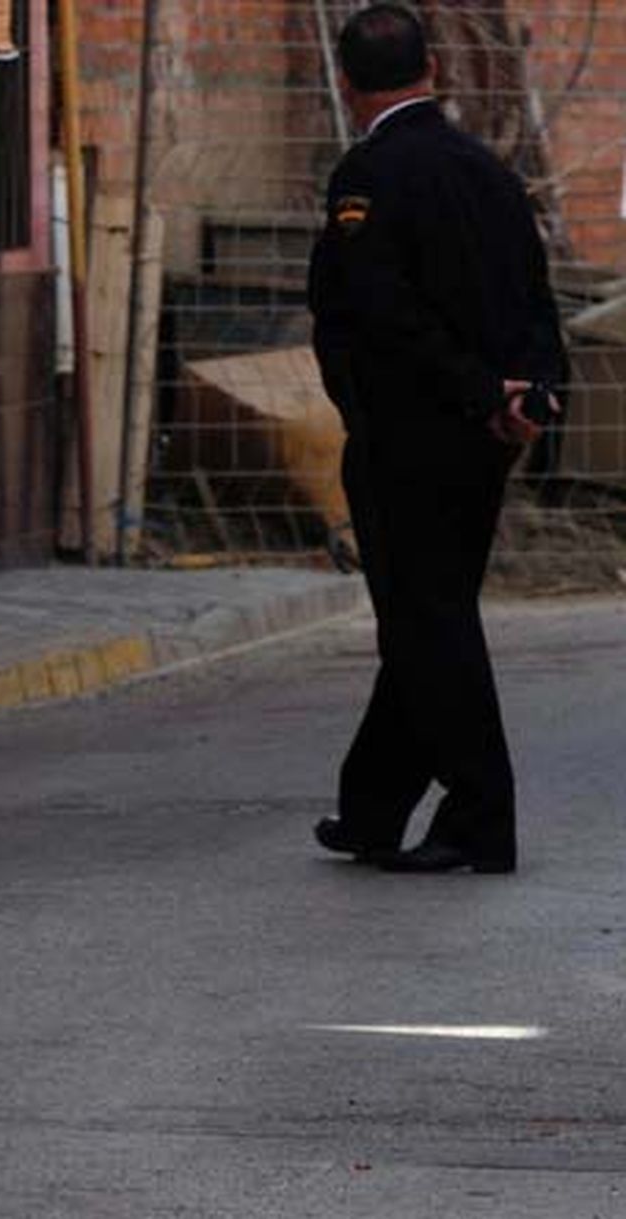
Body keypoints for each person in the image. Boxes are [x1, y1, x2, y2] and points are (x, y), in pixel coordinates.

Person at [307, 4, 567, 874]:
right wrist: (529, 393)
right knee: (428, 618)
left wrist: (475, 390)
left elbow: (379, 317)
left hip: (412, 436)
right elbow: (534, 295)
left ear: (348, 83)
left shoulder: (369, 176)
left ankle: (481, 815)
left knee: (429, 622)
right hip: (486, 436)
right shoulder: (487, 171)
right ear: (433, 71)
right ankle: (372, 807)